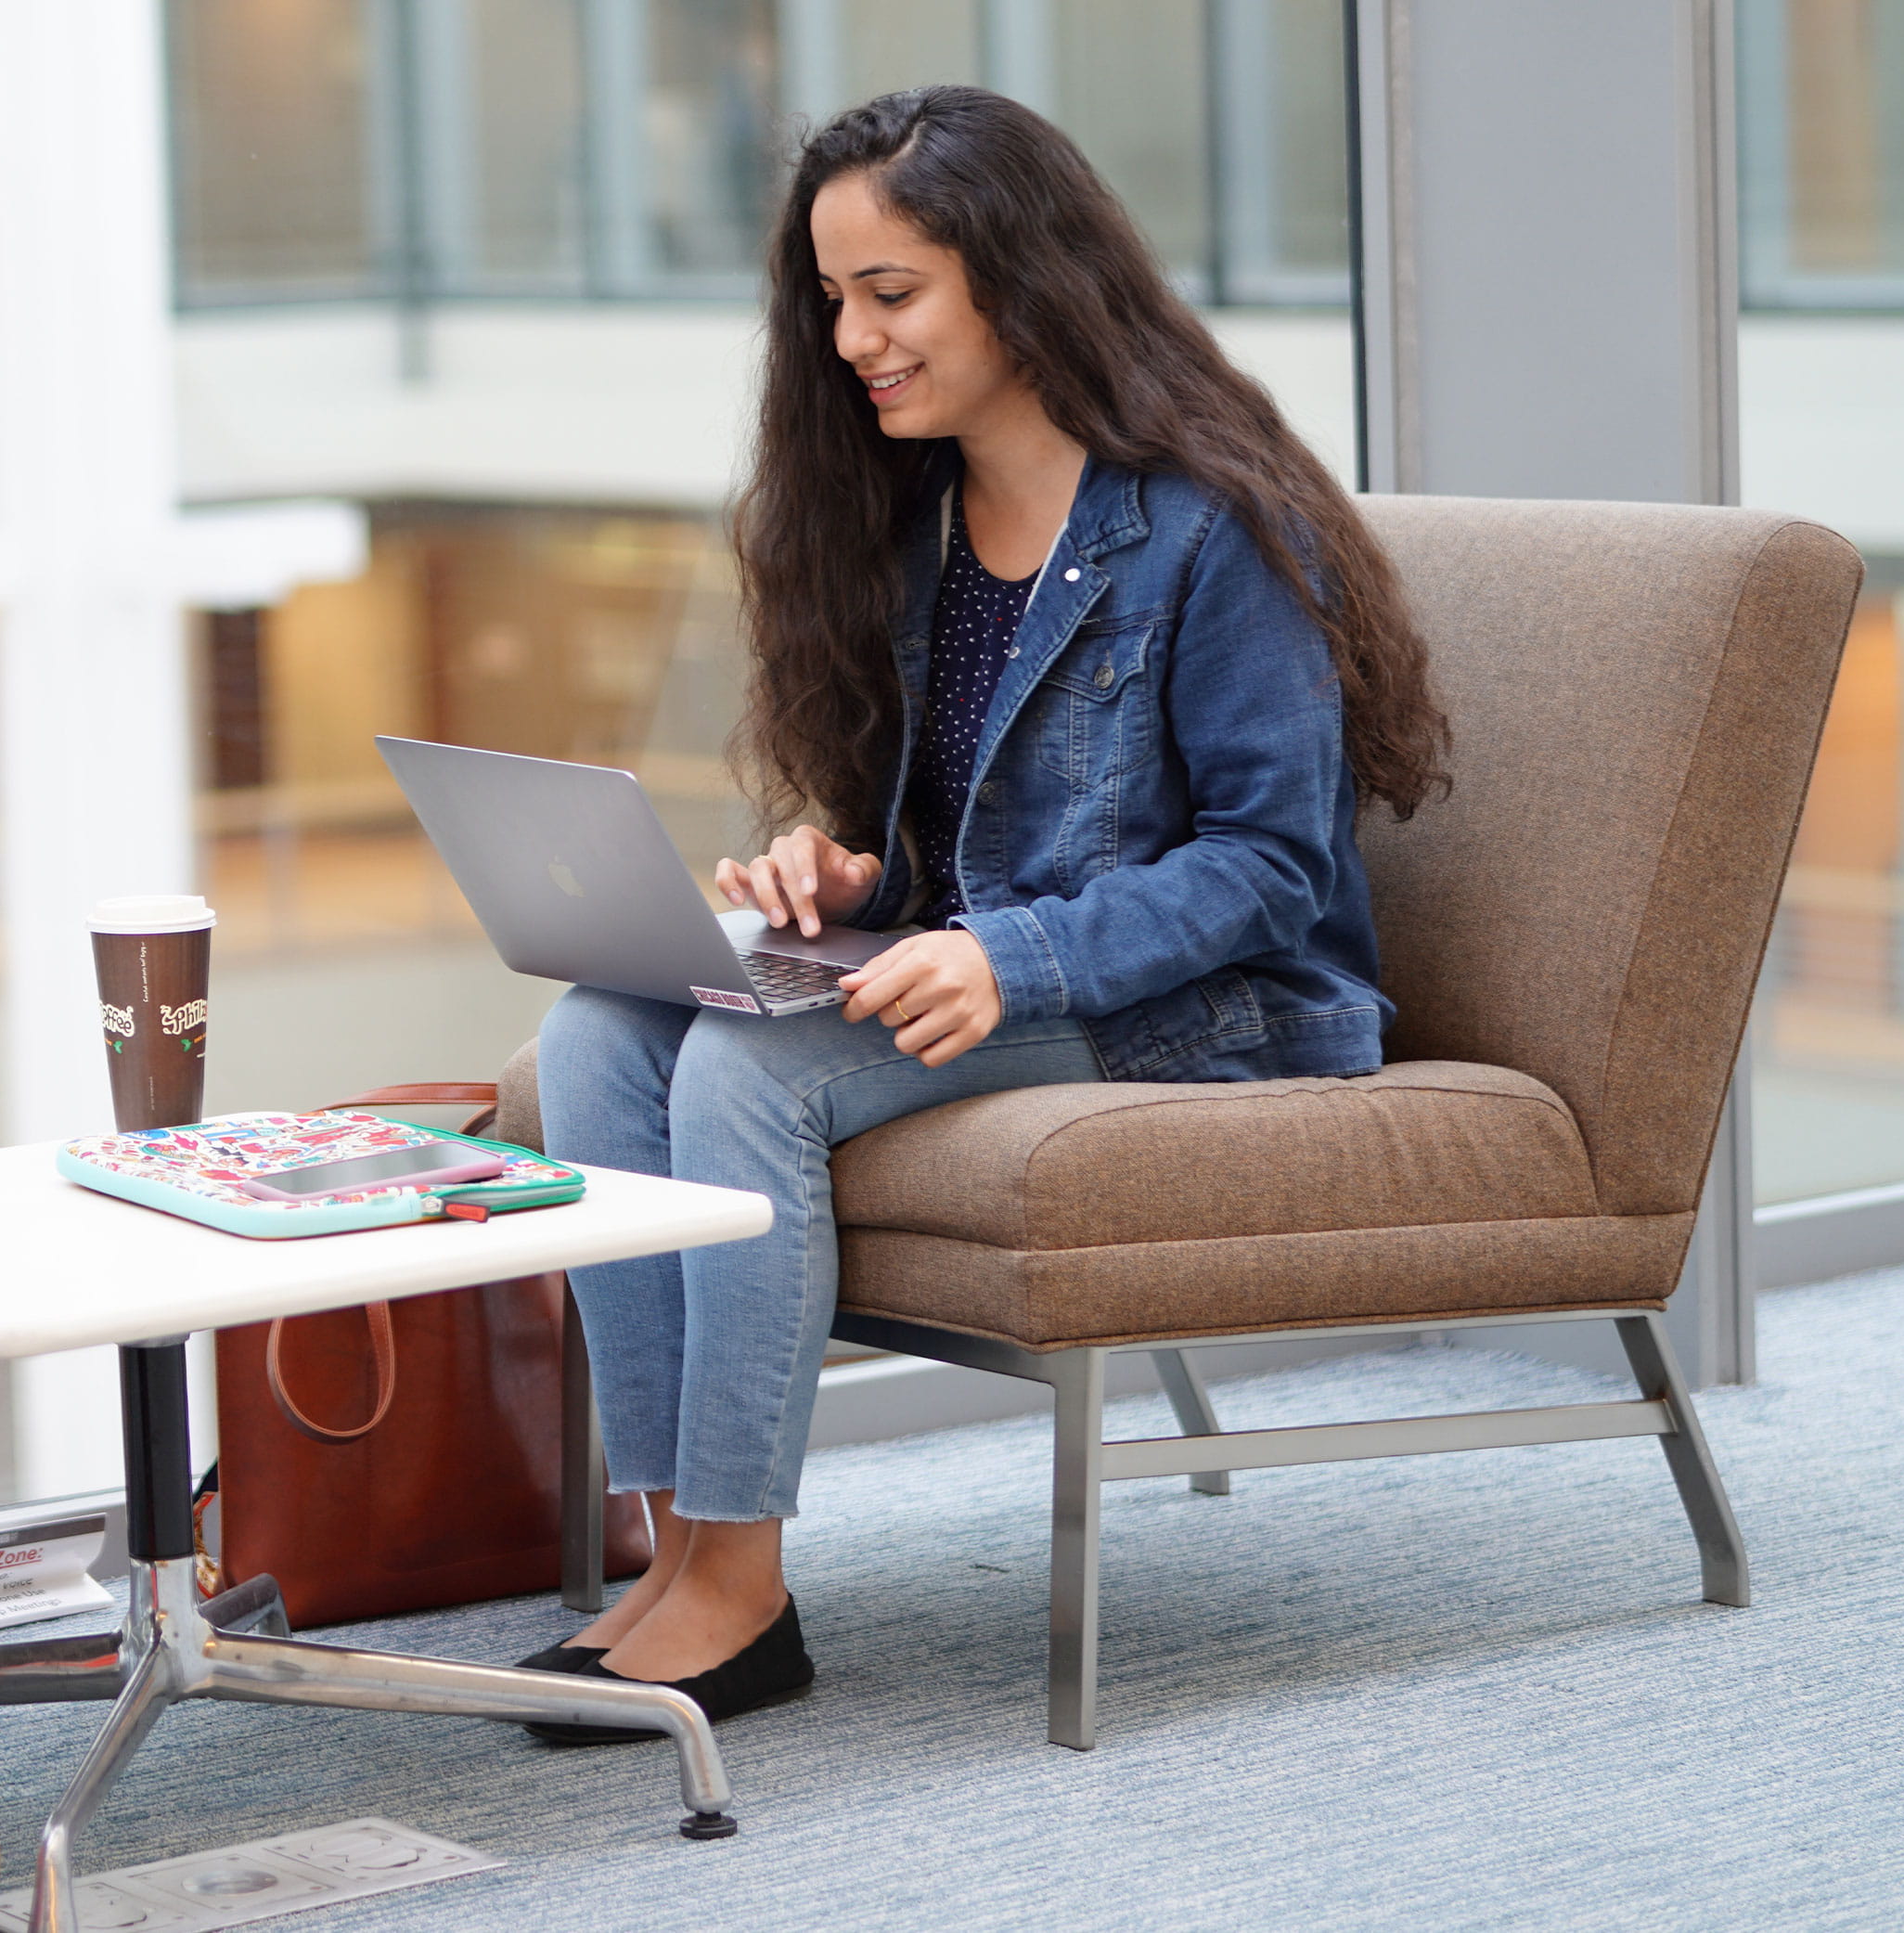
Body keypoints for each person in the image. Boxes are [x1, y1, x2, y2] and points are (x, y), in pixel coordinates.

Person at [521, 87, 1450, 1743]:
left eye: (894, 294)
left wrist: (1007, 951)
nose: (854, 339)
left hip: (1219, 999)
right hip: (986, 957)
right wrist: (848, 872)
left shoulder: (1209, 529)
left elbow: (1272, 865)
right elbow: (962, 817)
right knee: (598, 1029)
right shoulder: (919, 519)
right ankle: (676, 1554)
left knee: (753, 1075)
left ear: (1022, 281)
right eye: (832, 300)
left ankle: (745, 1590)